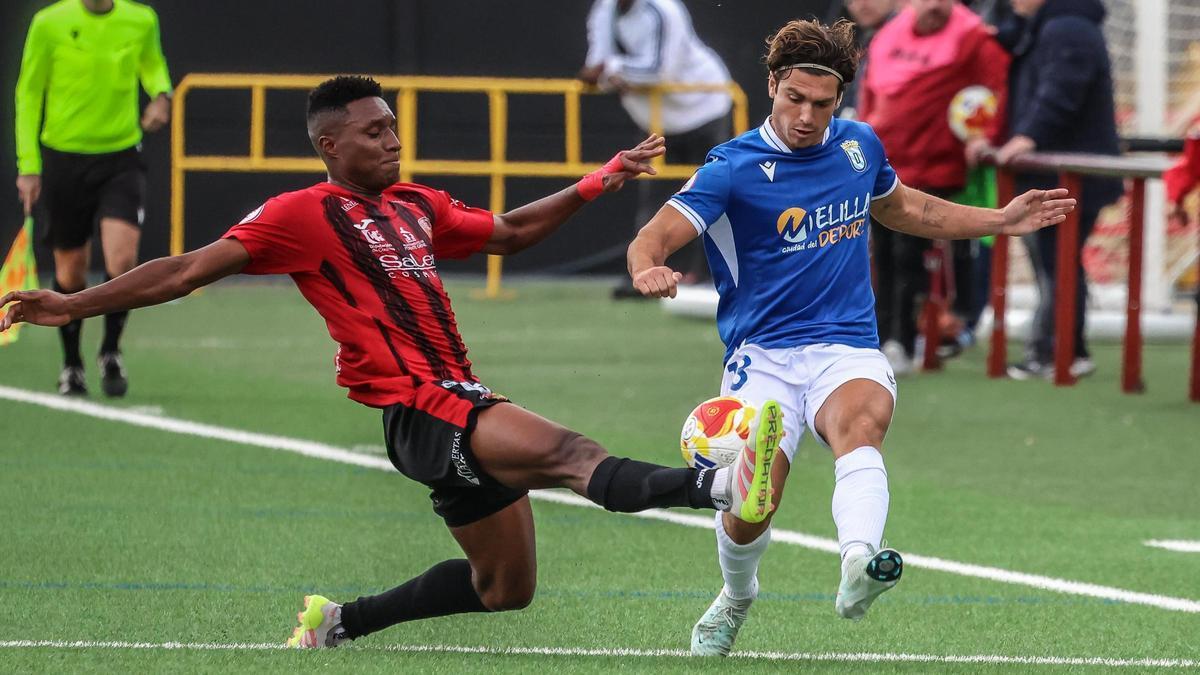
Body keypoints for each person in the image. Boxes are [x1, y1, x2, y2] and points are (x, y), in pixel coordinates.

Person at [0, 76, 780, 648]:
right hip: (420, 410)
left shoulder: (414, 205)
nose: (392, 140)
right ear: (329, 145)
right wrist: (73, 304)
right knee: (571, 453)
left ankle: (338, 620)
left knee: (504, 589)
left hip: (457, 399)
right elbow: (185, 269)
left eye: (393, 127)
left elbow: (507, 231)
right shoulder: (298, 215)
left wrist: (598, 181)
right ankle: (717, 483)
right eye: (373, 132)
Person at [627, 19, 1074, 656]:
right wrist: (649, 269)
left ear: (840, 101)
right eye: (794, 99)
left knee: (862, 424)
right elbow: (652, 238)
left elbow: (907, 209)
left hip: (845, 344)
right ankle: (736, 596)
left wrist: (999, 221)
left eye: (822, 104)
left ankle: (858, 564)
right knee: (754, 500)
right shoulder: (732, 167)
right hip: (764, 356)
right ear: (774, 85)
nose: (807, 116)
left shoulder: (859, 147)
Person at [14, 0, 173, 397]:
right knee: (70, 273)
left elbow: (152, 65)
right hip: (64, 158)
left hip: (121, 156)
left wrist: (160, 94)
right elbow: (29, 93)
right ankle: (71, 363)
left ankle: (111, 350)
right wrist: (29, 165)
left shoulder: (140, 19)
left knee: (122, 261)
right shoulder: (49, 23)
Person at [859, 0, 1009, 373]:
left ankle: (904, 343)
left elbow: (998, 88)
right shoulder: (889, 37)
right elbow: (870, 96)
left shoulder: (973, 38)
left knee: (909, 256)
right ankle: (878, 341)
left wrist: (986, 135)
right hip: (885, 165)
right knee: (884, 256)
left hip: (934, 169)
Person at [991, 0, 1123, 380]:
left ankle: (1062, 350)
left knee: (1058, 263)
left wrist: (1028, 136)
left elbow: (1061, 91)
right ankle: (1057, 347)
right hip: (1059, 173)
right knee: (1054, 262)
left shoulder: (1068, 28)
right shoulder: (1052, 25)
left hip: (1069, 174)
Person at [578, 0, 732, 298]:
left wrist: (611, 70)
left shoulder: (663, 10)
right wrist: (610, 74)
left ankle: (710, 275)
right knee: (655, 199)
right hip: (658, 119)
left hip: (703, 107)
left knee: (713, 195)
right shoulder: (604, 10)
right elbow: (592, 68)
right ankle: (645, 276)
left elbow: (660, 71)